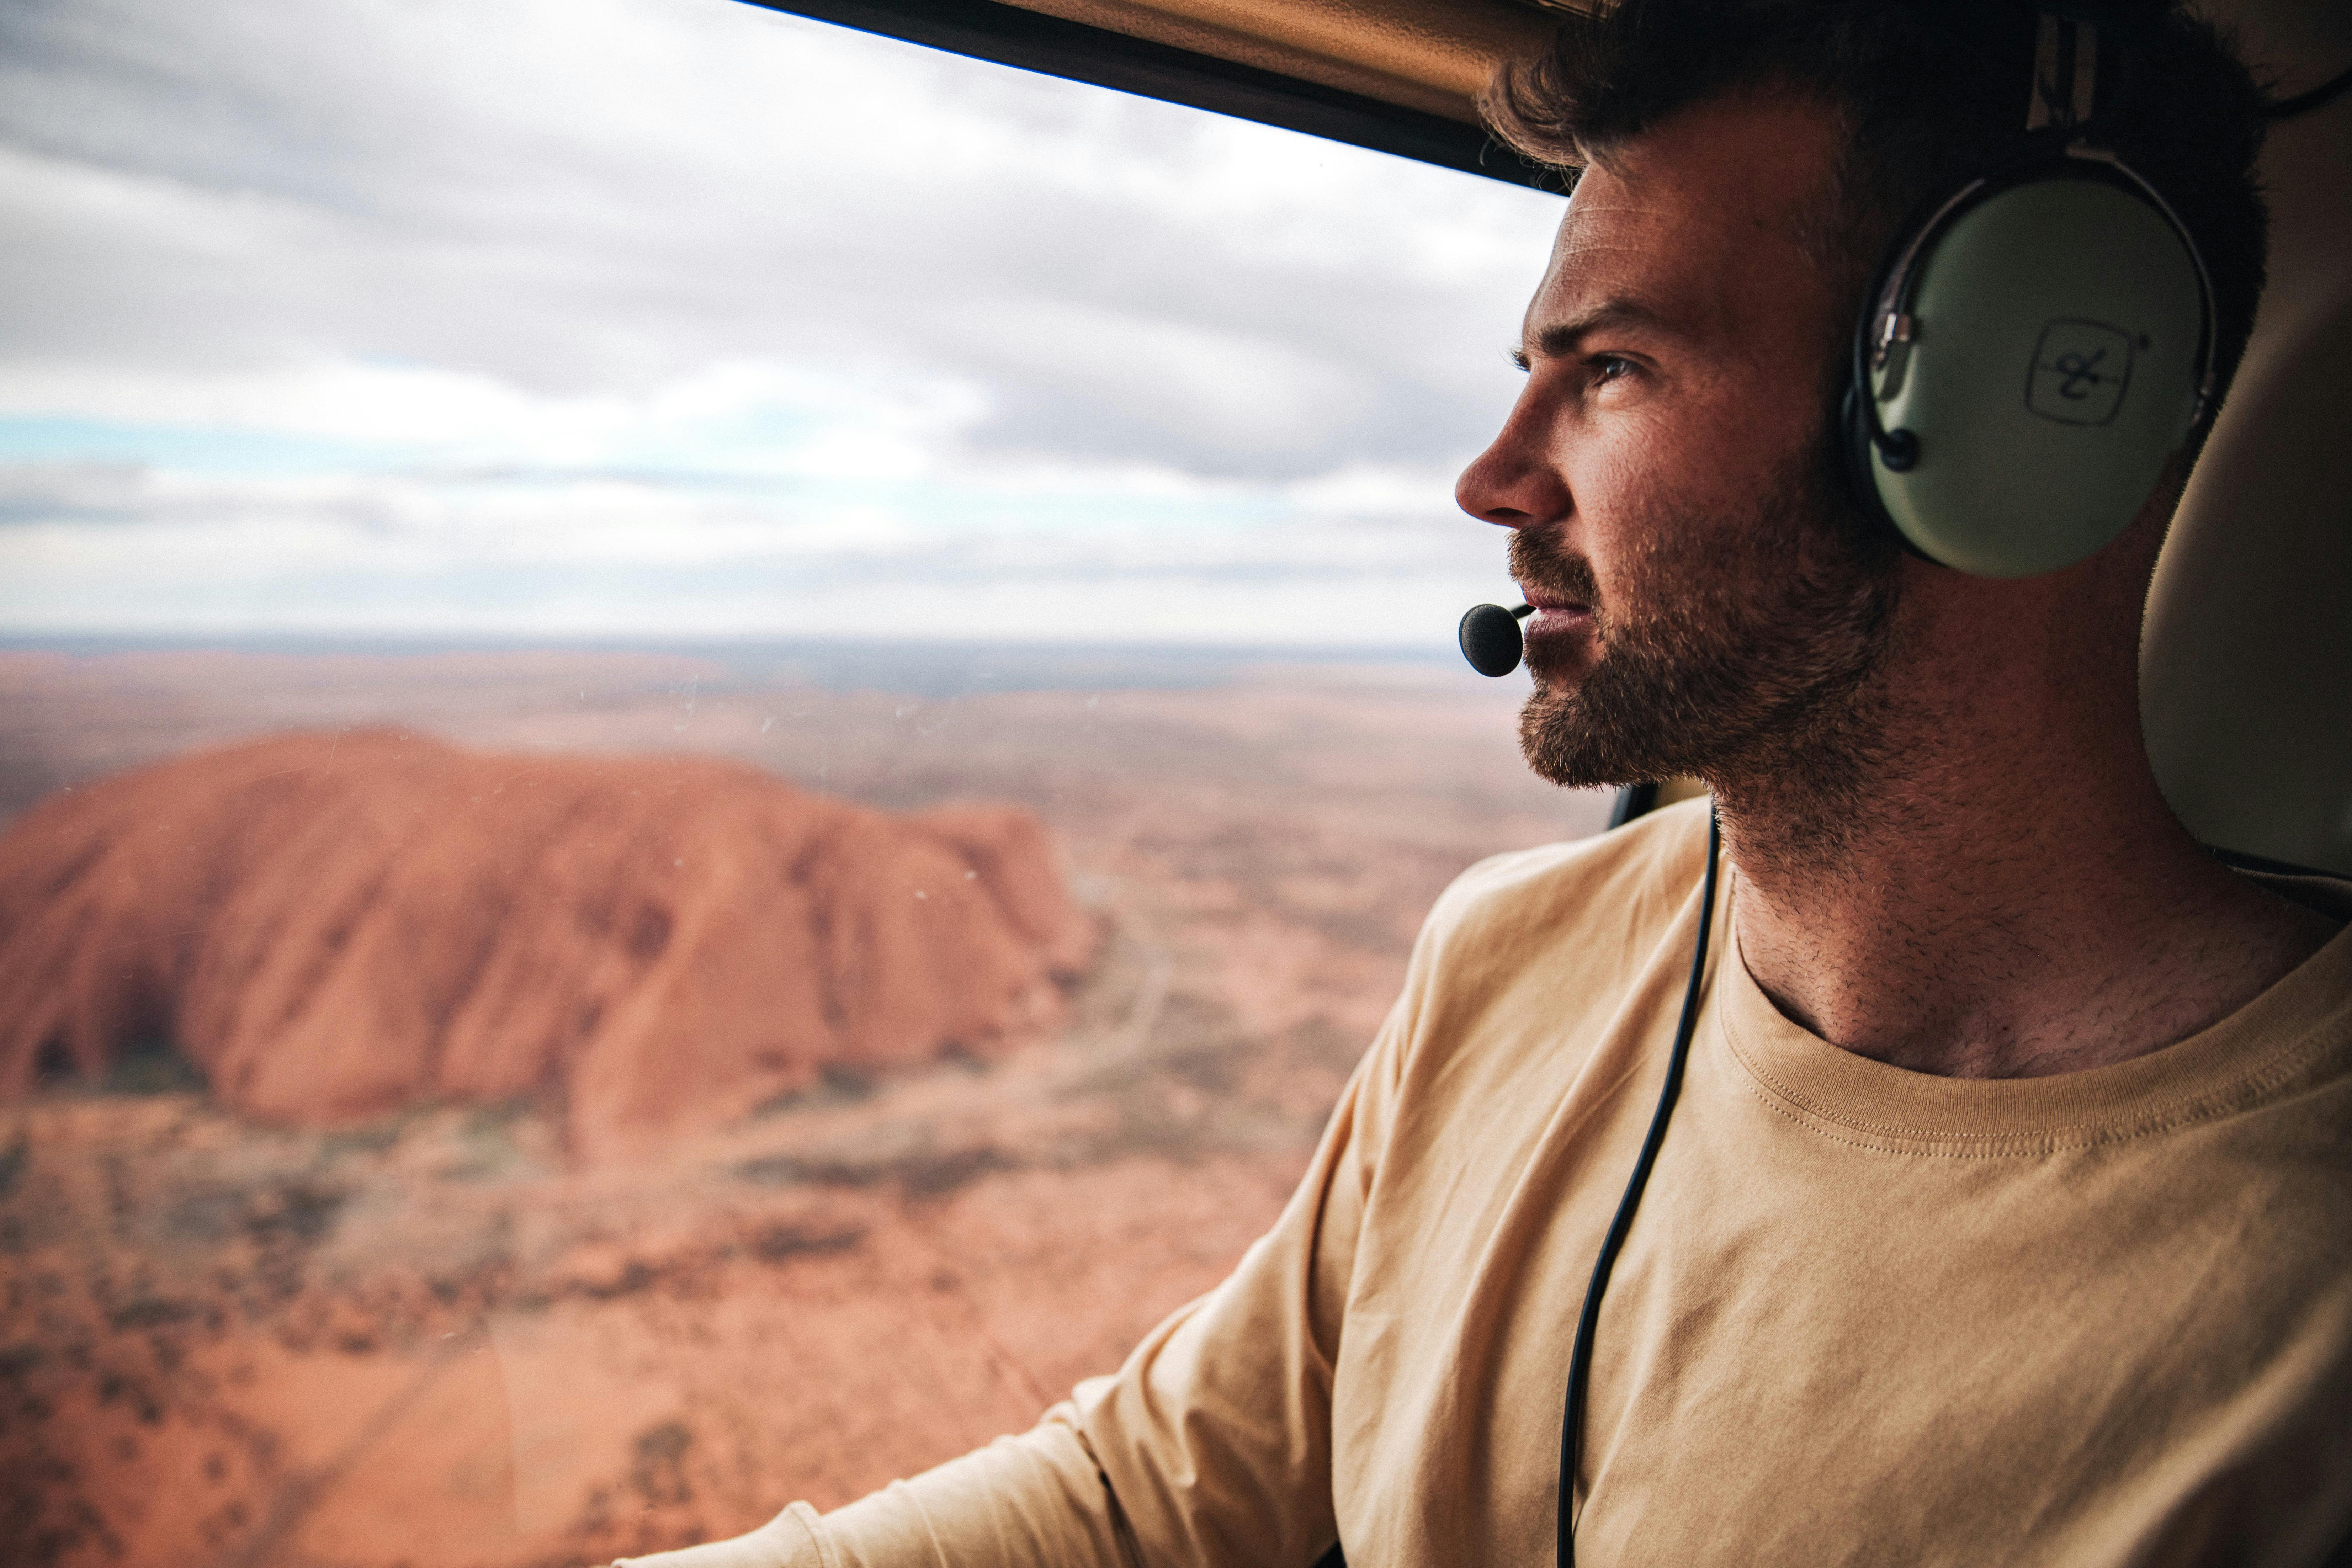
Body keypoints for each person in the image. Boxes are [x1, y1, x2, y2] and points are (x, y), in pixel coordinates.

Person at [620, 2, 2352, 1562]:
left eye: (1607, 368)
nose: (1490, 477)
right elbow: (1155, 1484)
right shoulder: (1512, 959)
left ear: (2017, 404)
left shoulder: (2302, 1303)